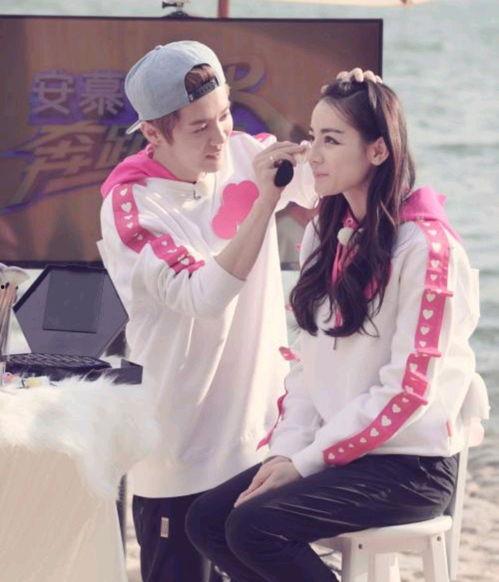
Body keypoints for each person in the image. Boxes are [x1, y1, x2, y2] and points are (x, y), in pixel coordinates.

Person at [185, 74, 486, 582]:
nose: (313, 154)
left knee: (253, 528)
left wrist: (306, 463)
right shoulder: (326, 232)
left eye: (331, 139)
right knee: (208, 520)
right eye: (313, 136)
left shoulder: (426, 249)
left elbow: (408, 392)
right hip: (340, 453)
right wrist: (287, 452)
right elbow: (308, 369)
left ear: (377, 151)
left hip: (410, 466)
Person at [97, 40, 317, 582]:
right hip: (181, 451)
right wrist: (265, 202)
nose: (221, 137)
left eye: (224, 115)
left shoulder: (246, 153)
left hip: (264, 441)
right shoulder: (132, 205)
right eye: (199, 128)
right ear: (154, 134)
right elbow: (203, 294)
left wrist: (362, 105)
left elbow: (332, 171)